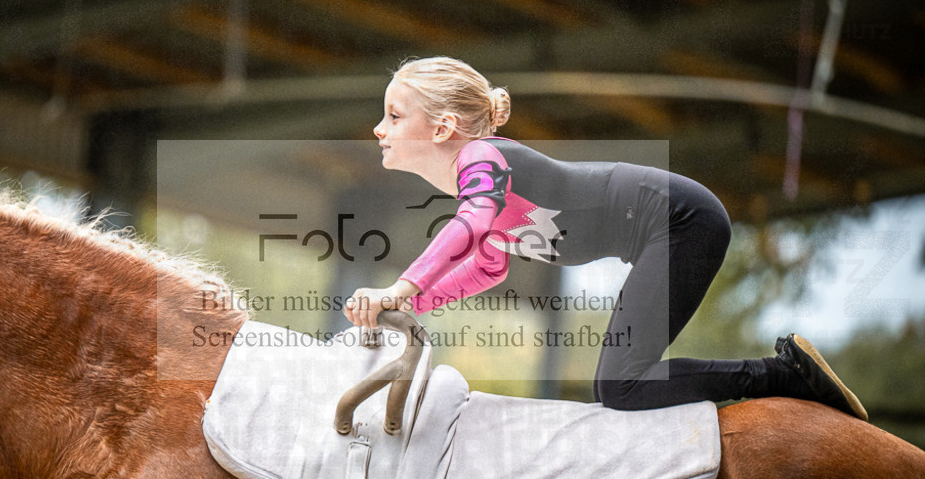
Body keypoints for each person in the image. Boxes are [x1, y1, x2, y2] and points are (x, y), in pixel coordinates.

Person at [343, 56, 867, 419]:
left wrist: (400, 291)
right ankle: (780, 376)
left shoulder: (481, 159)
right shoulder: (480, 178)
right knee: (619, 386)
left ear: (441, 129)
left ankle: (783, 375)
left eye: (393, 115)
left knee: (622, 386)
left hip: (682, 220)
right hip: (666, 227)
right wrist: (410, 309)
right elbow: (488, 265)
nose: (377, 129)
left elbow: (471, 225)